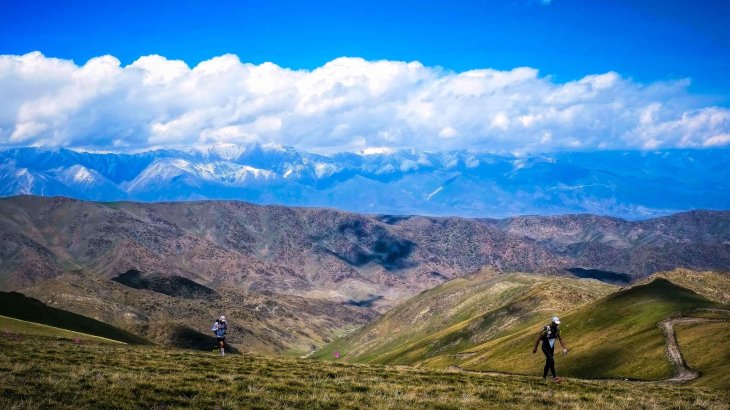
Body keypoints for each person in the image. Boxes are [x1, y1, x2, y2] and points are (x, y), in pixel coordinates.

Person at [532, 316, 567, 382]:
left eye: (558, 323)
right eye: (556, 323)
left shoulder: (557, 330)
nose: (557, 324)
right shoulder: (546, 329)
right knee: (552, 360)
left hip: (551, 348)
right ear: (552, 322)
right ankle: (555, 377)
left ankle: (544, 377)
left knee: (548, 362)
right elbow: (538, 339)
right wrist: (535, 348)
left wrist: (564, 348)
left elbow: (560, 339)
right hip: (545, 347)